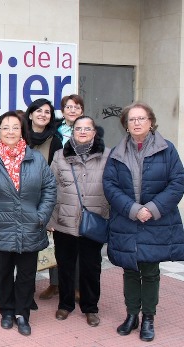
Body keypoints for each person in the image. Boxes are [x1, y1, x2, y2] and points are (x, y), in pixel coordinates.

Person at [103, 102, 184, 342]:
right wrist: (133, 209)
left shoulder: (167, 149)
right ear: (126, 125)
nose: (137, 123)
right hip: (127, 220)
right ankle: (131, 315)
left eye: (141, 118)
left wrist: (152, 208)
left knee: (149, 270)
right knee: (130, 268)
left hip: (156, 221)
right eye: (132, 119)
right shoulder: (117, 153)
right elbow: (110, 185)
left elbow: (177, 182)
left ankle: (148, 317)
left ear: (151, 122)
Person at [0, 111, 56, 336]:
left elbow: (50, 188)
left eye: (15, 127)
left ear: (22, 131)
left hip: (31, 226)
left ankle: (23, 314)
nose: (10, 132)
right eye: (5, 127)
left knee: (27, 275)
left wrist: (41, 216)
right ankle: (7, 311)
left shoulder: (35, 158)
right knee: (3, 274)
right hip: (0, 227)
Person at [48, 115, 110, 327]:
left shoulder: (107, 156)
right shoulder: (59, 155)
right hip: (64, 222)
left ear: (94, 132)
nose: (82, 132)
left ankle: (90, 308)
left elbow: (113, 188)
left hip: (94, 222)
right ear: (72, 132)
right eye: (78, 129)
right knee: (65, 266)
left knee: (91, 267)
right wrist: (51, 220)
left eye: (87, 128)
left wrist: (106, 214)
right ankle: (65, 305)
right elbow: (51, 188)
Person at [25, 98, 63, 300]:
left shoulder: (55, 140)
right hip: (20, 200)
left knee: (49, 243)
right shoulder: (19, 136)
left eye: (47, 112)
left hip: (43, 200)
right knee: (25, 250)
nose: (42, 114)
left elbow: (56, 175)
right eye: (38, 111)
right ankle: (26, 290)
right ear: (30, 114)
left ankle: (54, 283)